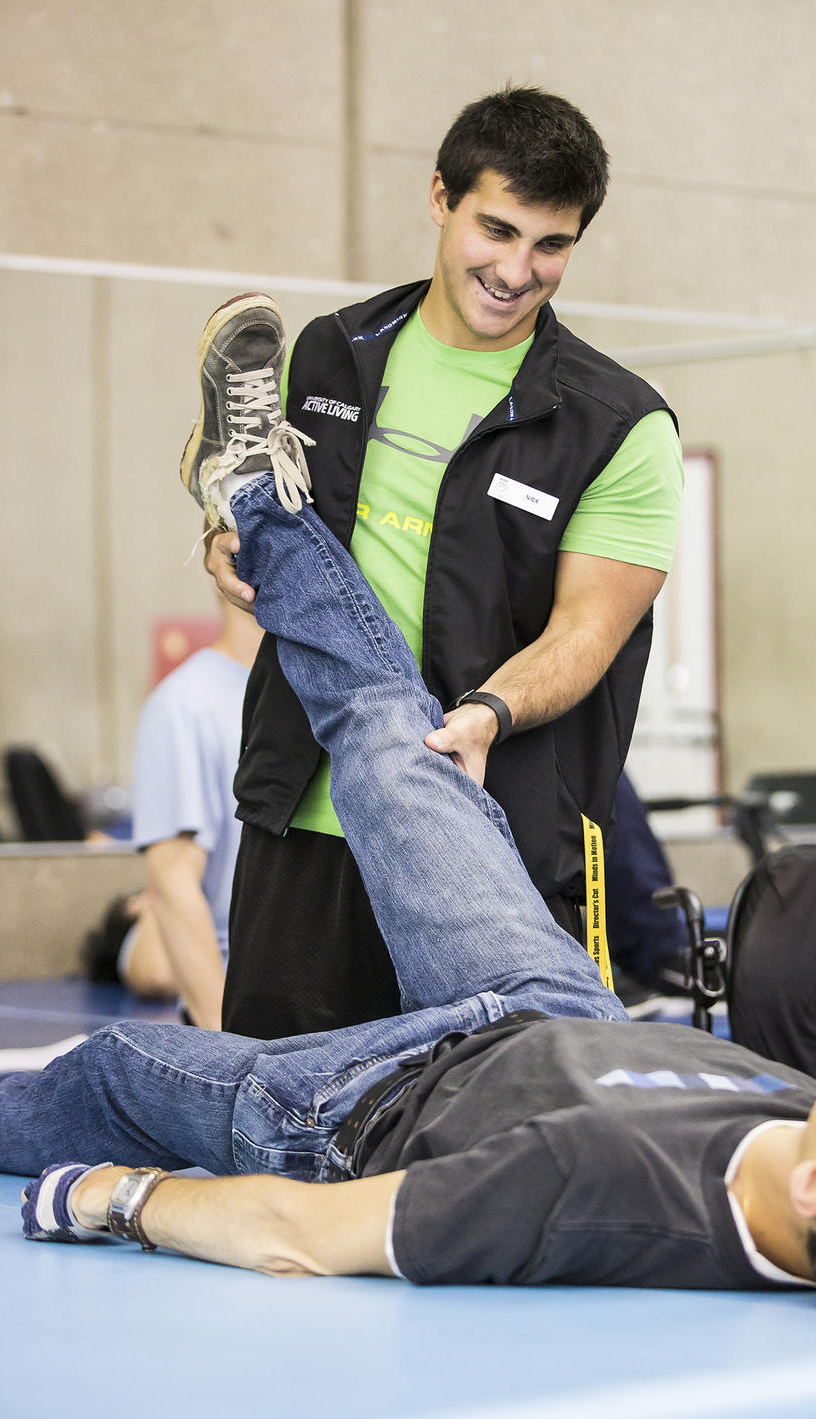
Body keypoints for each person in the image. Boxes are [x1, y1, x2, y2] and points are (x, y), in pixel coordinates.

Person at [0, 471, 816, 1316]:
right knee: (400, 744)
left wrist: (116, 1198)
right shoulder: (807, 1119)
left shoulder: (593, 1186)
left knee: (116, 1069)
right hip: (556, 1008)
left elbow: (296, 1232)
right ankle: (258, 487)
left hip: (364, 1101)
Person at [196, 86, 684, 1037]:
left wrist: (488, 712)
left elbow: (588, 634)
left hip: (495, 830)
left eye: (551, 245)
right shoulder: (331, 354)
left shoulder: (618, 424)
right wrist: (231, 542)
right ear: (439, 198)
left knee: (494, 1104)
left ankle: (240, 479)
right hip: (307, 813)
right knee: (271, 1094)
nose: (517, 270)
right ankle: (242, 487)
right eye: (496, 230)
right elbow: (301, 545)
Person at [116, 576, 263, 1028]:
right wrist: (228, 1046)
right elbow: (173, 884)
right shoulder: (184, 706)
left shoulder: (323, 693)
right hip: (246, 991)